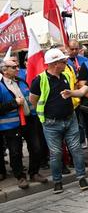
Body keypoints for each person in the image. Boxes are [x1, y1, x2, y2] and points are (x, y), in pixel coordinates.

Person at [29, 48, 88, 194]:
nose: (66, 63)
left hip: (70, 119)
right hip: (51, 123)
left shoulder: (66, 75)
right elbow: (33, 100)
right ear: (55, 64)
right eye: (63, 61)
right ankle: (57, 181)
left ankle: (81, 177)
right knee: (55, 153)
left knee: (76, 150)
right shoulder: (39, 80)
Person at [2, 57, 46, 188]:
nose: (17, 69)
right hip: (12, 124)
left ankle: (34, 173)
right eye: (14, 67)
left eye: (17, 66)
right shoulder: (0, 86)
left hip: (30, 120)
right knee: (15, 152)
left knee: (36, 148)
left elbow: (30, 99)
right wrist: (14, 103)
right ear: (5, 70)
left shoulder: (22, 82)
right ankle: (20, 177)